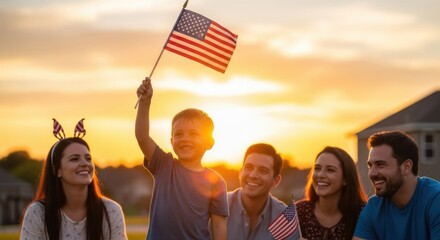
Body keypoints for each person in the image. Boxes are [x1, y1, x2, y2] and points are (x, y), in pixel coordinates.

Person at [135, 77, 228, 240]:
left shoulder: (216, 181)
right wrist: (145, 102)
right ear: (171, 141)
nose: (185, 138)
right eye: (178, 134)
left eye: (193, 134)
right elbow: (142, 137)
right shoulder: (164, 164)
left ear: (209, 142)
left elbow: (218, 224)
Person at [20, 125, 127, 240]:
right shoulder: (37, 213)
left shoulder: (111, 210)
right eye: (74, 159)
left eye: (88, 158)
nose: (84, 163)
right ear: (57, 170)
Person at [353, 130, 440, 240]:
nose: (372, 173)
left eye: (380, 165)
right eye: (370, 166)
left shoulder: (435, 200)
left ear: (406, 167)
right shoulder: (374, 206)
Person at [296, 146, 367, 240]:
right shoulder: (299, 211)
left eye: (330, 170)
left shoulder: (362, 214)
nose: (320, 175)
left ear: (345, 178)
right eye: (317, 168)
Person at [227, 143, 293, 240]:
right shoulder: (217, 206)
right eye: (249, 168)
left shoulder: (285, 217)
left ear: (276, 181)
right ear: (240, 173)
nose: (253, 175)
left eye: (263, 171)